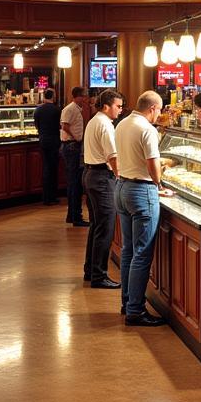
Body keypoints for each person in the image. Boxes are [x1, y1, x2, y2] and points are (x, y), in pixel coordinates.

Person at [115, 90, 167, 326]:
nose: (160, 115)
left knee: (128, 250)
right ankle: (136, 310)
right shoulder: (147, 129)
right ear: (153, 108)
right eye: (160, 110)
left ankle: (127, 302)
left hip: (122, 187)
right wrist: (159, 183)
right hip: (141, 191)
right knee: (142, 253)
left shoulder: (123, 124)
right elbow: (153, 166)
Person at [82, 89, 124, 289]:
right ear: (106, 106)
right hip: (101, 178)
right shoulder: (105, 125)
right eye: (118, 106)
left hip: (91, 175)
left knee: (96, 225)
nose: (121, 110)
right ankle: (99, 275)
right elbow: (113, 156)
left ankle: (90, 270)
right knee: (105, 228)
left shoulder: (94, 120)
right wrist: (119, 175)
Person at [60, 86, 89, 227]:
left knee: (74, 182)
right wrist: (76, 137)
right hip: (71, 146)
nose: (85, 98)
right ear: (77, 96)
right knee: (74, 183)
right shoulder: (70, 109)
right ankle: (75, 216)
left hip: (73, 146)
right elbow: (64, 125)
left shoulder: (77, 109)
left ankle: (72, 215)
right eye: (84, 96)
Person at [33, 89, 61, 205]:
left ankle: (45, 197)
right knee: (53, 169)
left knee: (46, 168)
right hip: (54, 141)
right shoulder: (57, 110)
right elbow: (59, 125)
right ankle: (52, 196)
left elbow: (36, 125)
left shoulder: (38, 109)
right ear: (53, 96)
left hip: (43, 140)